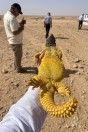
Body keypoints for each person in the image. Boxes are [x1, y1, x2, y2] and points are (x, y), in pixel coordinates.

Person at [3, 3, 26, 73]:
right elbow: (15, 32)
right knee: (18, 56)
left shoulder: (7, 15)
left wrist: (20, 23)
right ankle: (18, 69)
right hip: (15, 41)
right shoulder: (12, 18)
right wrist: (22, 28)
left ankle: (16, 66)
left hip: (12, 40)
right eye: (18, 12)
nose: (18, 14)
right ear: (14, 9)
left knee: (16, 55)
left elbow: (12, 26)